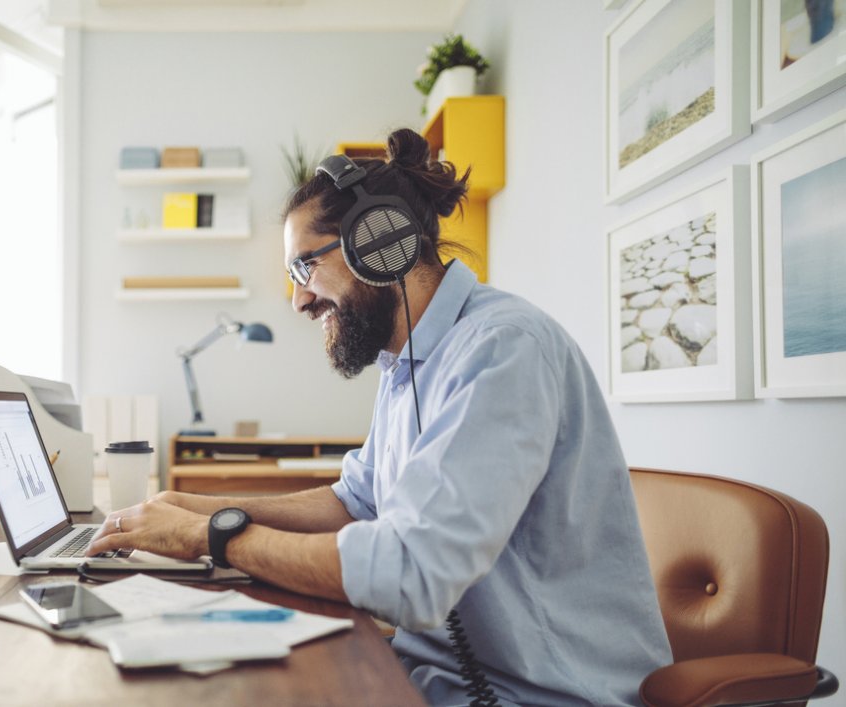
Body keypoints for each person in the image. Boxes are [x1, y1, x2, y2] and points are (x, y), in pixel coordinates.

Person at [87, 128, 672, 705]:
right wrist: (196, 508)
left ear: (378, 242)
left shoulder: (503, 350)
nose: (298, 300)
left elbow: (410, 575)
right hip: (424, 677)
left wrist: (212, 537)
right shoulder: (405, 362)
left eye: (302, 269)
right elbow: (356, 502)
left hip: (537, 695)